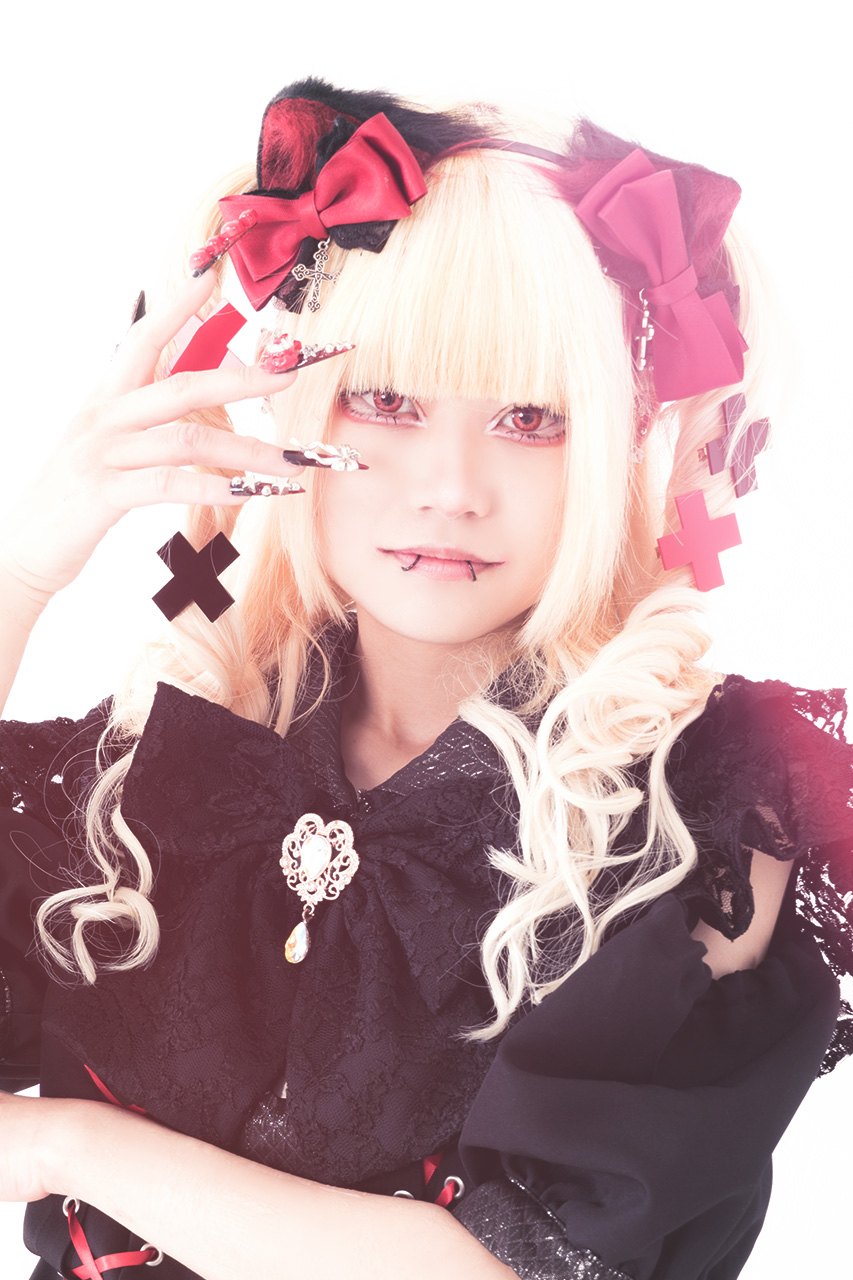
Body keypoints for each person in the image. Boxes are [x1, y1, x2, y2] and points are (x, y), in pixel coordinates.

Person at [0, 78, 851, 1280]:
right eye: (386, 399)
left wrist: (63, 1144)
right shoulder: (182, 753)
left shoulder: (698, 810)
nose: (449, 487)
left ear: (620, 444)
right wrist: (24, 569)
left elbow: (511, 1265)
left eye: (532, 418)